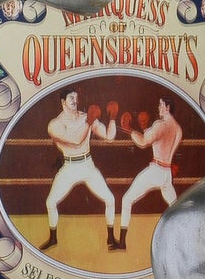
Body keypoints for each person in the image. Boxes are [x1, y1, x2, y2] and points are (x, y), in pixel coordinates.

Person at [42, 90, 118, 250]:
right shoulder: (55, 124)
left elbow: (109, 137)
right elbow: (75, 140)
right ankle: (53, 238)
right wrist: (90, 120)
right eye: (71, 97)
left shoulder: (85, 116)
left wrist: (112, 118)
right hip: (69, 167)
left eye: (76, 97)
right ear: (63, 101)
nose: (74, 100)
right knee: (50, 202)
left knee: (110, 199)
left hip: (87, 165)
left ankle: (111, 237)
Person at [115, 96, 183, 251]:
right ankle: (183, 239)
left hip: (156, 171)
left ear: (167, 107)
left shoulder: (160, 125)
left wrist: (129, 130)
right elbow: (165, 145)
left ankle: (122, 242)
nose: (158, 108)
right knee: (175, 207)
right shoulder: (178, 128)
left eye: (160, 105)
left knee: (127, 200)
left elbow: (143, 142)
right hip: (167, 173)